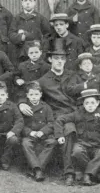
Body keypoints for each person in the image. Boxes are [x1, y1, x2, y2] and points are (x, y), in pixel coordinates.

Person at [18, 41, 77, 186]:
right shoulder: (43, 80)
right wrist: (21, 102)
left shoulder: (73, 75)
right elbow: (29, 91)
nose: (59, 61)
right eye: (56, 58)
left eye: (62, 58)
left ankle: (73, 171)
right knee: (68, 129)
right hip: (57, 116)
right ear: (50, 60)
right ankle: (69, 172)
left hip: (74, 112)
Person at [55, 89, 100, 186]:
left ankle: (87, 175)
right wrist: (59, 135)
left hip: (96, 146)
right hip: (82, 144)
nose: (90, 105)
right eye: (87, 103)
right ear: (83, 104)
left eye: (92, 103)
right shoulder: (78, 114)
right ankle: (93, 174)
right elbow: (60, 119)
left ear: (98, 103)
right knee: (76, 152)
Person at [21, 81, 57, 182]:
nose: (34, 97)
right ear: (27, 95)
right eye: (31, 94)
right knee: (25, 143)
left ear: (41, 94)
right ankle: (38, 170)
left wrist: (43, 131)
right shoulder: (25, 108)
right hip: (31, 135)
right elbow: (21, 124)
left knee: (52, 142)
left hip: (44, 135)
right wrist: (30, 132)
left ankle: (36, 169)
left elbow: (51, 123)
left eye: (36, 94)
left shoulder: (46, 107)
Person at [9, 0, 51, 64]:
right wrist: (21, 37)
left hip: (37, 54)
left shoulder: (41, 18)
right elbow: (11, 35)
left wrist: (43, 51)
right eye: (25, 1)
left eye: (30, 1)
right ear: (22, 3)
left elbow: (48, 36)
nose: (28, 3)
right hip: (20, 54)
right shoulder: (17, 18)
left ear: (34, 3)